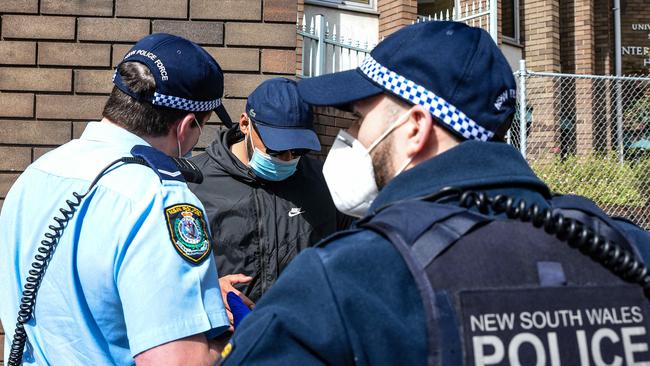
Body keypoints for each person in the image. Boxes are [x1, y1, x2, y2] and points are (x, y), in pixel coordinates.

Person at [220, 21, 650, 365]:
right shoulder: (628, 247)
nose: (351, 135)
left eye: (358, 116)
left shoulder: (345, 279)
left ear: (414, 128)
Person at [0, 33, 234, 365]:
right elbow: (178, 361)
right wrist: (245, 334)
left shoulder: (37, 175)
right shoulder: (159, 201)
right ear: (185, 127)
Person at [189, 78, 351, 306]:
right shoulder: (194, 183)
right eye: (276, 149)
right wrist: (207, 289)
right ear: (245, 124)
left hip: (305, 332)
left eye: (298, 150)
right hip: (227, 335)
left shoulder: (324, 180)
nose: (287, 159)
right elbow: (161, 272)